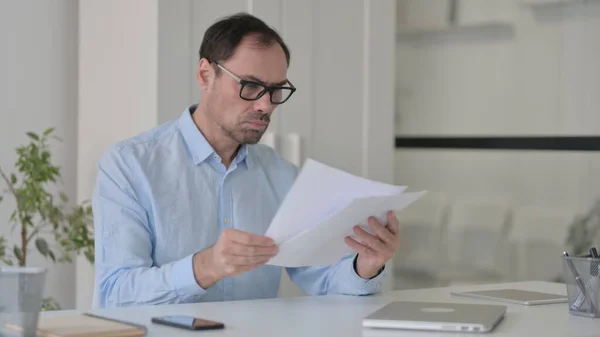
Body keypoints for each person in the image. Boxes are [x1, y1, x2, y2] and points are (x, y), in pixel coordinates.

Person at [92, 12, 400, 308]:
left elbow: (321, 276)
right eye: (250, 86)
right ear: (205, 75)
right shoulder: (129, 165)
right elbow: (116, 293)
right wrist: (205, 267)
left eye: (276, 90)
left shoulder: (283, 176)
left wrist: (365, 266)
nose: (265, 105)